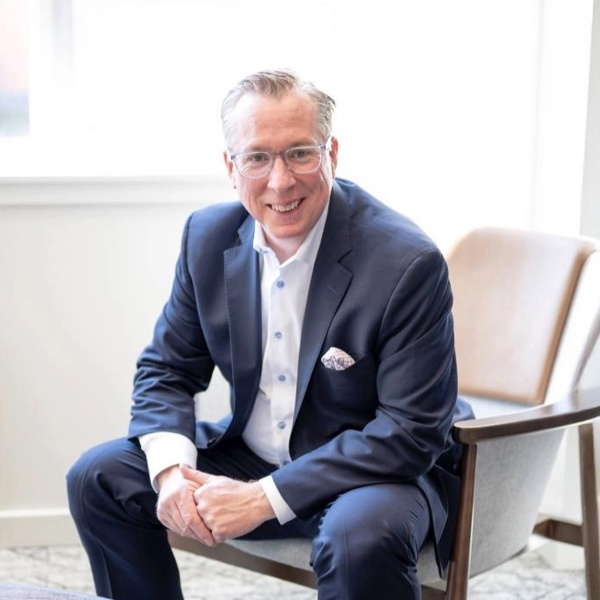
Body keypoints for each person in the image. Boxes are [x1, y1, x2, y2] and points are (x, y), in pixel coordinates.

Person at [67, 68, 473, 600]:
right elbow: (167, 369)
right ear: (230, 168)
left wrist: (262, 498)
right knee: (99, 477)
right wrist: (172, 475)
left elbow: (409, 432)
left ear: (332, 154)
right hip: (252, 454)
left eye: (300, 154)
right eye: (257, 157)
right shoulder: (206, 237)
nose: (280, 182)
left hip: (371, 476)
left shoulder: (405, 262)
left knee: (359, 539)